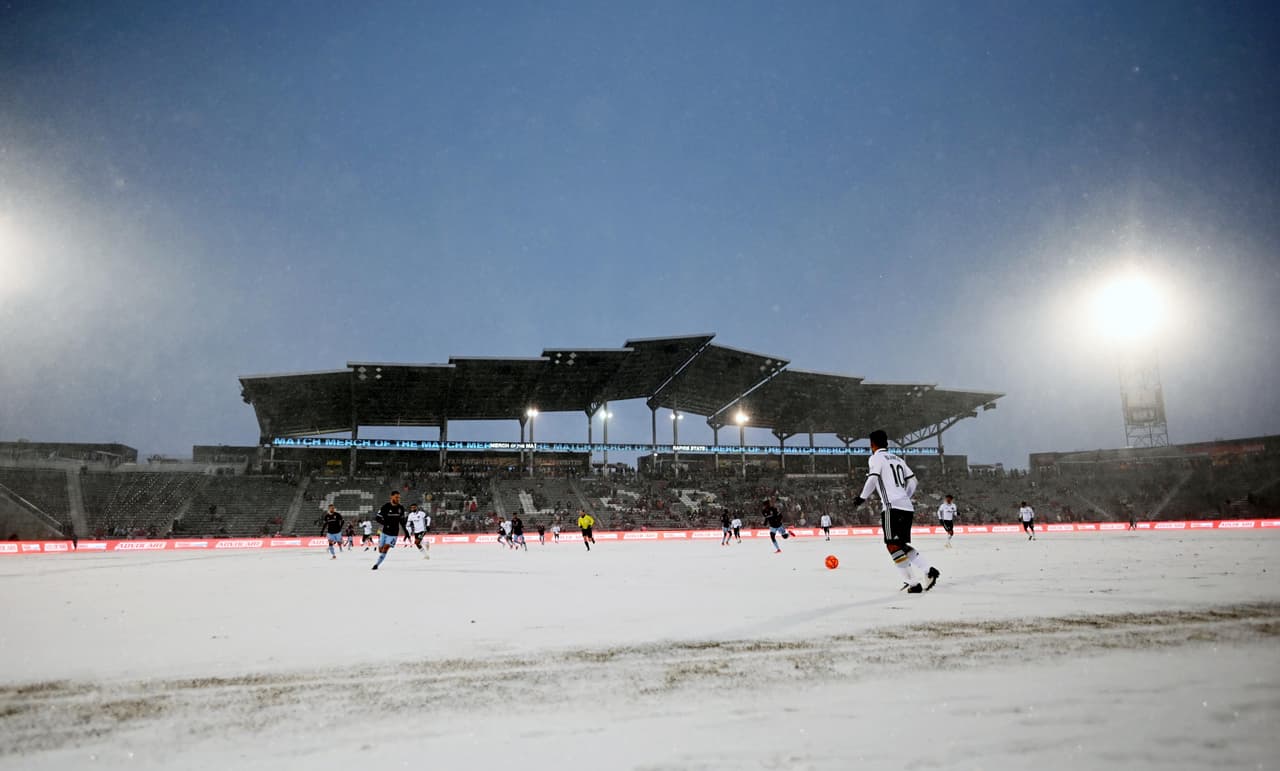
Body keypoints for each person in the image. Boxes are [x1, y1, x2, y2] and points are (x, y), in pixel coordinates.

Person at [851, 430, 940, 593]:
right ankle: (928, 571)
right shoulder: (897, 459)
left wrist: (862, 497)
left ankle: (913, 583)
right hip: (906, 507)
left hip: (892, 507)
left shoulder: (876, 458)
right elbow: (913, 480)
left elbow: (873, 478)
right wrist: (904, 496)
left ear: (872, 444)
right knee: (899, 544)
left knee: (892, 545)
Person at [372, 491, 407, 571]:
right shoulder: (385, 507)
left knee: (386, 548)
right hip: (384, 532)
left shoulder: (401, 508)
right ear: (391, 497)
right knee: (380, 550)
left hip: (394, 533)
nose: (398, 499)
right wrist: (386, 523)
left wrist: (406, 532)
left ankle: (376, 564)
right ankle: (380, 551)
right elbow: (377, 518)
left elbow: (402, 521)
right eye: (396, 497)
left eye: (399, 497)